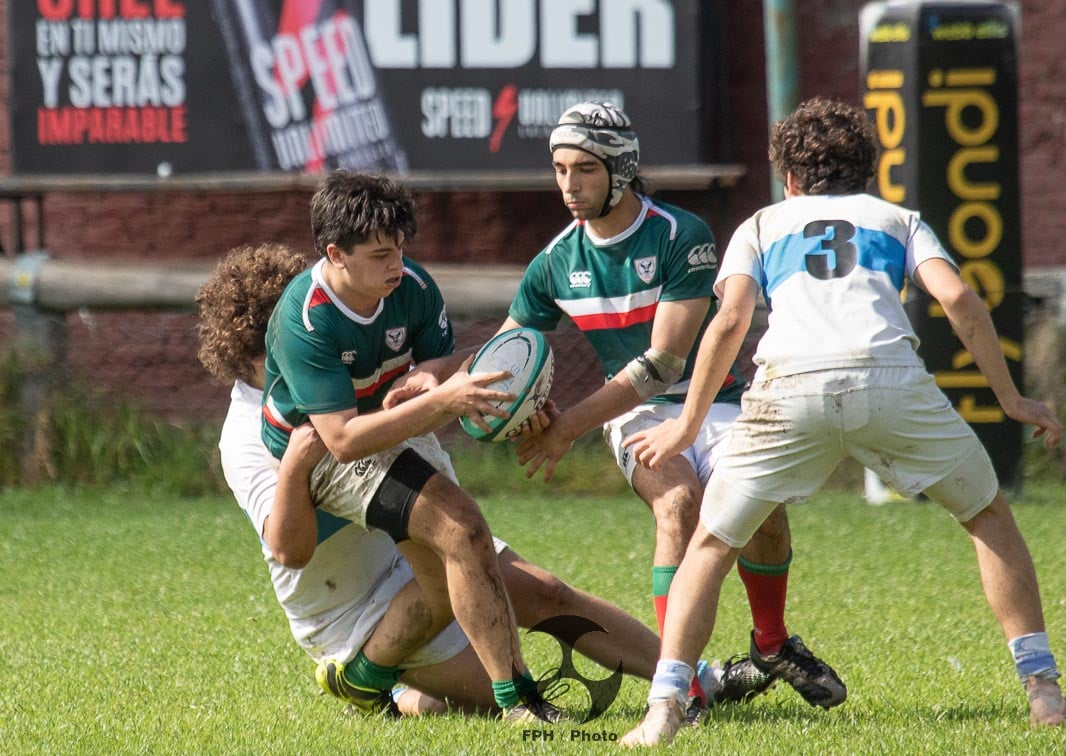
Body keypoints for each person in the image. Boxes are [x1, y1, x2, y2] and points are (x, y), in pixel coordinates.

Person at [618, 97, 1066, 746]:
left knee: (710, 545)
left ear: (787, 177)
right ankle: (1043, 694)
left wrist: (685, 423)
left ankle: (666, 707)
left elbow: (728, 321)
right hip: (889, 381)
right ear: (869, 173)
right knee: (987, 516)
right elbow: (956, 298)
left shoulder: (761, 224)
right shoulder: (897, 219)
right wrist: (1012, 399)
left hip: (789, 386)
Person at [197, 242, 663, 718]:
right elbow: (289, 551)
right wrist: (297, 468)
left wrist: (514, 402)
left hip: (416, 546)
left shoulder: (343, 354)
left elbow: (421, 401)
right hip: (352, 607)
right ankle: (369, 674)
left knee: (547, 593)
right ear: (252, 355)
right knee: (480, 691)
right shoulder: (244, 437)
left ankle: (683, 675)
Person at [495, 101, 845, 724]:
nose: (569, 186)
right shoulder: (554, 261)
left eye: (584, 170)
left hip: (719, 402)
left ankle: (770, 644)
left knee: (758, 508)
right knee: (678, 504)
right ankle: (679, 685)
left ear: (621, 169)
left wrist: (566, 428)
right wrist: (438, 385)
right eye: (559, 169)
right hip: (633, 416)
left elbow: (665, 364)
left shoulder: (681, 234)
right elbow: (504, 353)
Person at [258, 170, 560, 721]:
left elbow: (441, 360)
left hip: (388, 425)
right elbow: (344, 441)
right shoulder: (306, 319)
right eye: (379, 254)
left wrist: (435, 375)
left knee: (445, 584)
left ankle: (364, 679)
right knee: (463, 528)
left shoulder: (411, 286)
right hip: (317, 453)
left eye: (400, 248)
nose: (396, 264)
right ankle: (520, 704)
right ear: (335, 254)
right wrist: (443, 400)